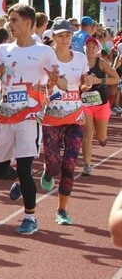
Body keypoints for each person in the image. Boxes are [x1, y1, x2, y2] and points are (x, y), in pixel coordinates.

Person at [0, 4, 65, 235]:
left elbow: (62, 83)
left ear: (28, 23)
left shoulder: (44, 52)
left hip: (30, 116)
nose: (10, 24)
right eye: (9, 20)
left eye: (15, 20)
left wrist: (56, 78)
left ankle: (30, 217)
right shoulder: (2, 50)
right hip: (6, 116)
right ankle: (18, 177)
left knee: (26, 167)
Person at [39, 19, 93, 225]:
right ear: (53, 37)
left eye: (68, 35)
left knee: (70, 164)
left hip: (75, 118)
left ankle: (62, 210)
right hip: (52, 118)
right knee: (54, 166)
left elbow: (82, 83)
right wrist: (51, 84)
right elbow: (40, 87)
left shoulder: (79, 58)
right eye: (60, 35)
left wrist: (86, 85)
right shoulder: (46, 58)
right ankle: (48, 170)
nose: (64, 39)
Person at [80, 35, 120, 175]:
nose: (90, 49)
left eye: (93, 47)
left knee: (101, 136)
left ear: (98, 49)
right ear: (84, 48)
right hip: (85, 103)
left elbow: (116, 78)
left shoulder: (101, 63)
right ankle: (87, 166)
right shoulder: (79, 62)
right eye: (88, 46)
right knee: (87, 132)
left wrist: (98, 81)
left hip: (101, 103)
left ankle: (102, 137)